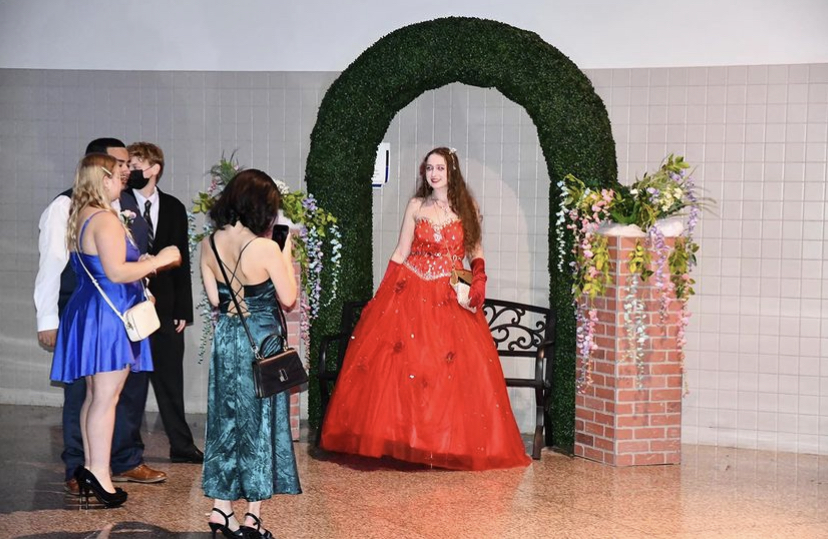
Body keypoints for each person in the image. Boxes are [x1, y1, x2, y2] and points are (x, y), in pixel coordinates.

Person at [320, 147, 531, 471]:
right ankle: (408, 441)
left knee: (448, 371)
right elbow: (401, 251)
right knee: (402, 368)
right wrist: (382, 294)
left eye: (440, 168)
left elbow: (475, 250)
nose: (433, 174)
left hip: (451, 290)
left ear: (452, 172)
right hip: (410, 288)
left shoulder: (467, 208)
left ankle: (441, 444)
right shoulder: (416, 206)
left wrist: (479, 282)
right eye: (429, 168)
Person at [34, 138, 167, 496]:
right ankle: (98, 473)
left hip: (92, 310)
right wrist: (160, 259)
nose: (126, 175)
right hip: (108, 315)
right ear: (102, 177)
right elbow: (113, 272)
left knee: (96, 397)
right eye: (119, 170)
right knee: (104, 399)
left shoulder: (86, 213)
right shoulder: (101, 217)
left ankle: (96, 469)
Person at [199, 169, 301, 538]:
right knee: (258, 425)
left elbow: (214, 299)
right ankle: (252, 517)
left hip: (226, 339)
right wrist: (284, 250)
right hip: (260, 342)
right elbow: (288, 298)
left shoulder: (208, 243)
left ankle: (220, 509)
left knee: (225, 419)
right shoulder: (266, 248)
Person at [126, 142, 201, 464]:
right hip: (129, 305)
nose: (130, 169)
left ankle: (181, 445)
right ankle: (128, 450)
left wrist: (184, 310)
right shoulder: (120, 204)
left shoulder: (173, 206)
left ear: (154, 168)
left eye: (136, 163)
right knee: (131, 384)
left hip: (167, 307)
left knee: (171, 380)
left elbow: (181, 259)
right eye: (127, 164)